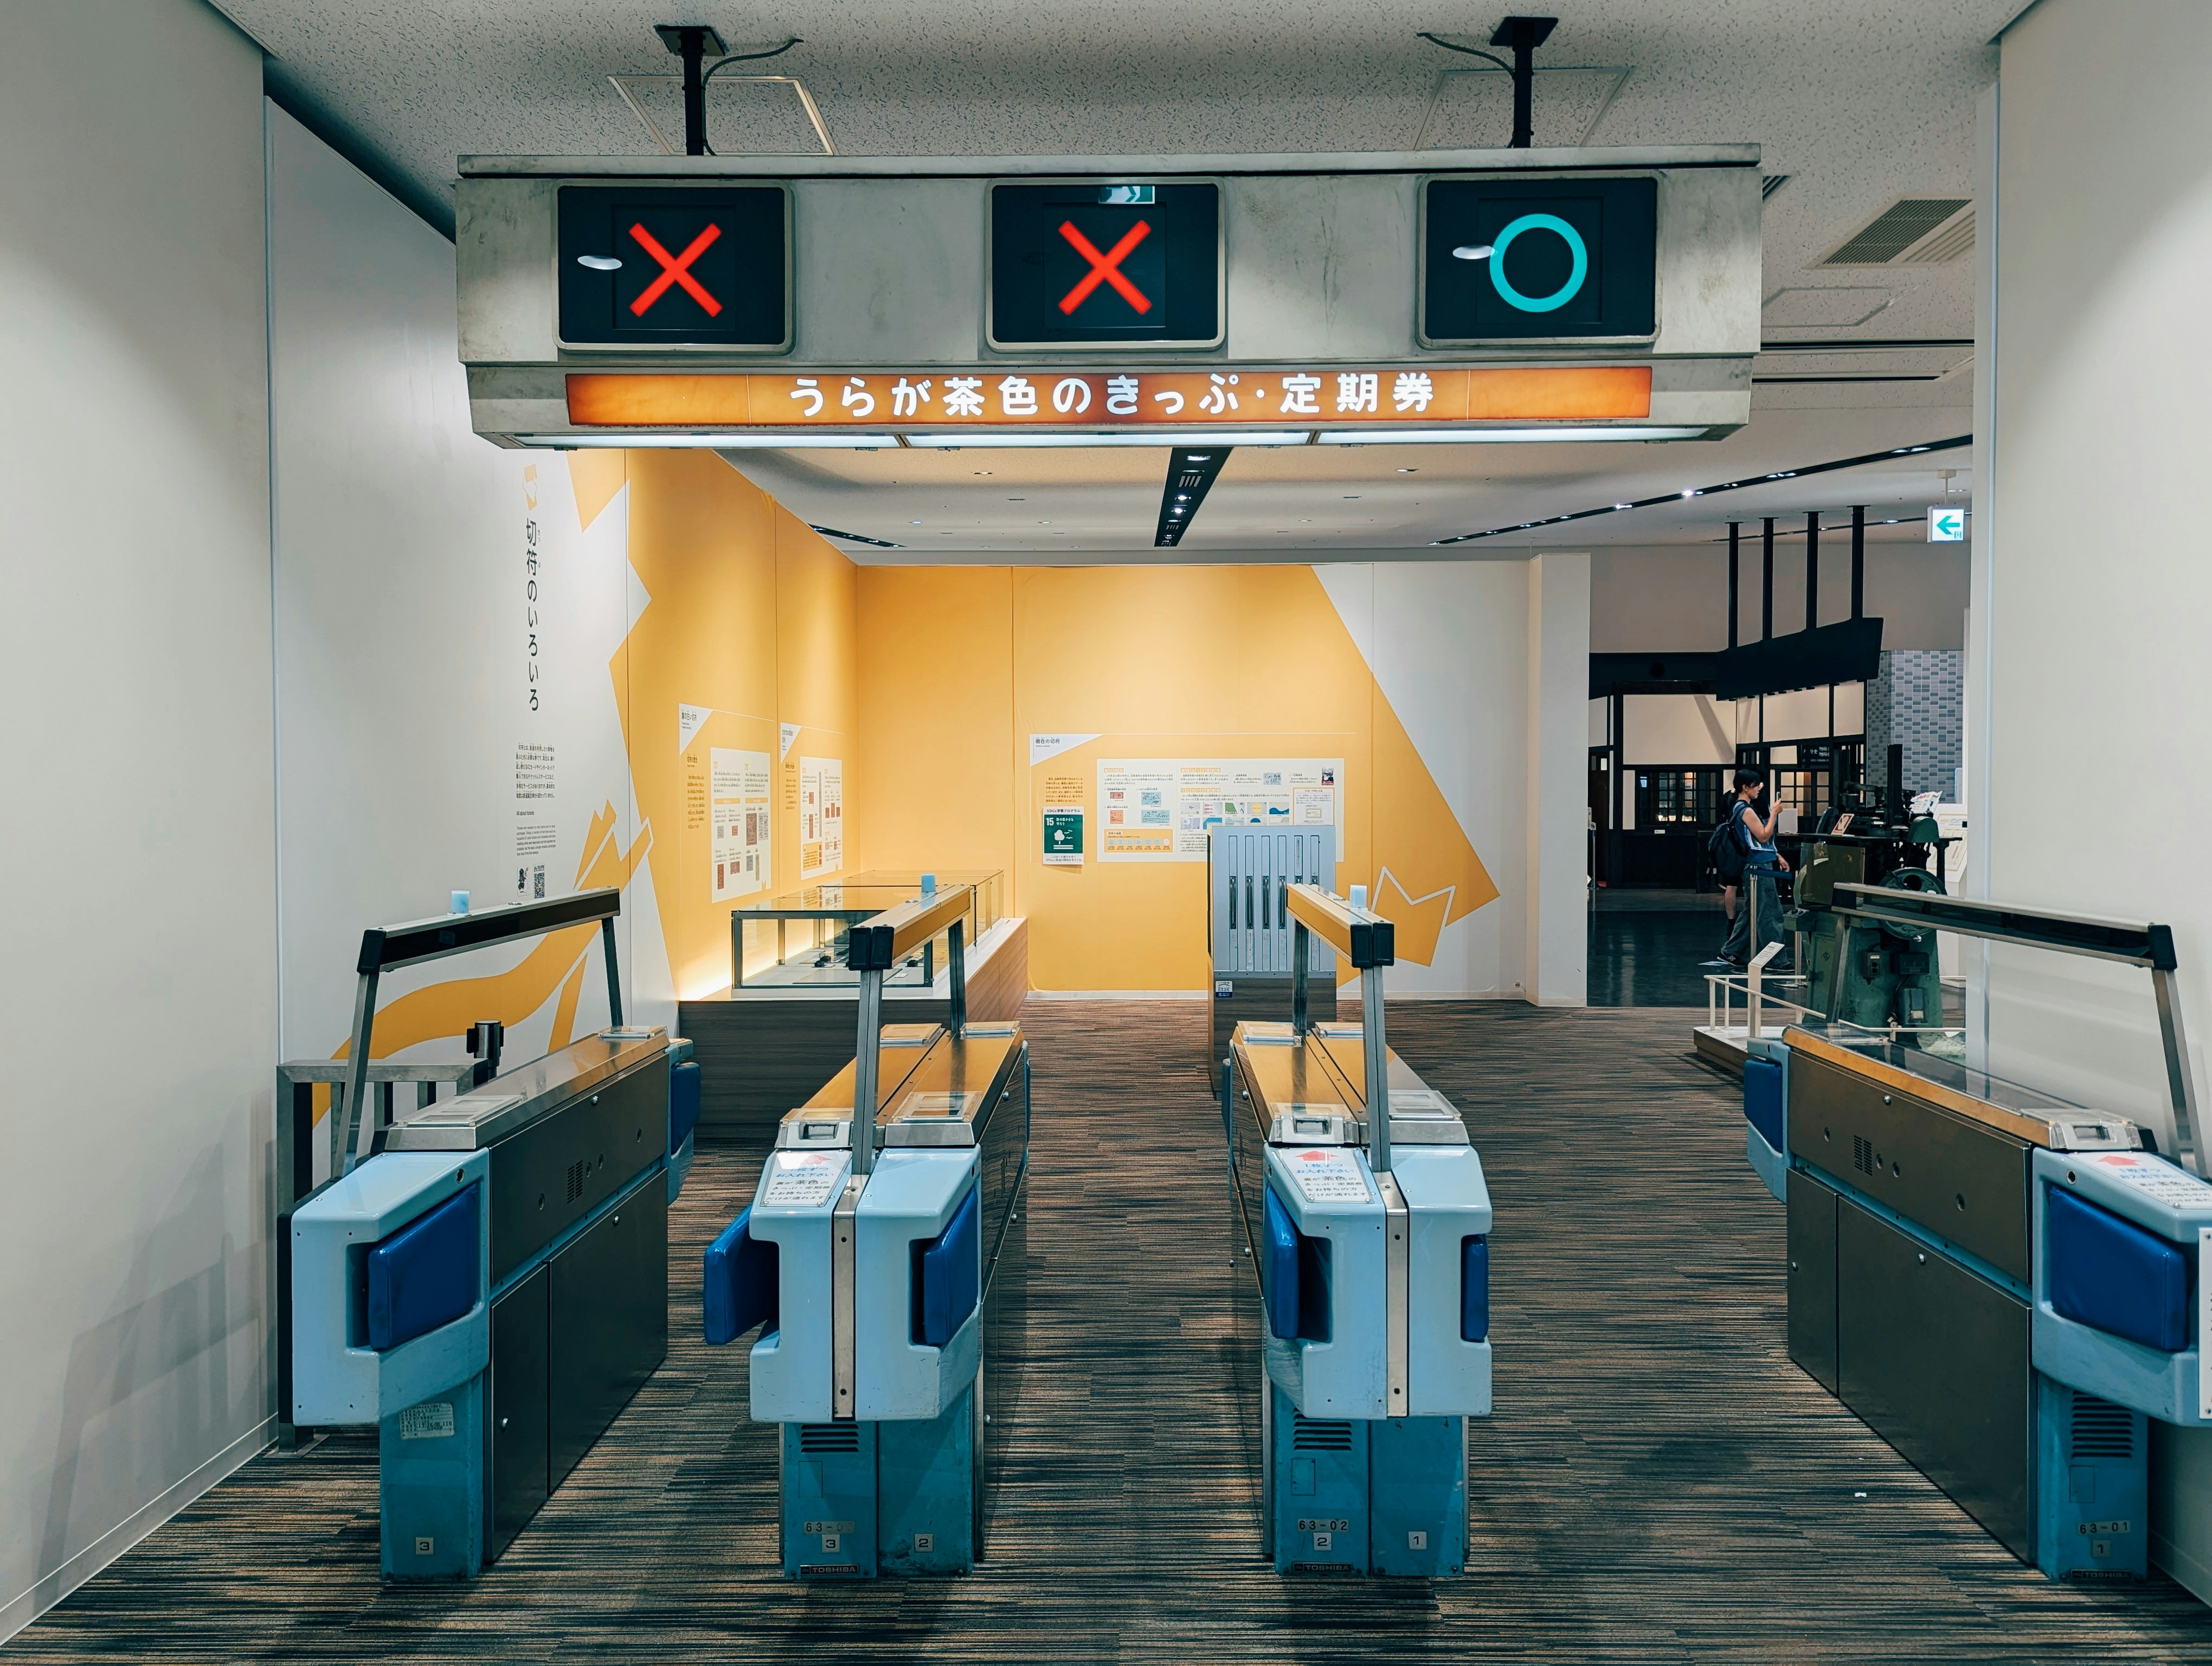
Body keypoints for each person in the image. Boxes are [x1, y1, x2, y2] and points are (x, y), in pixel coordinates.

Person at [1715, 768, 1789, 970]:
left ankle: (1731, 952)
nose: (1759, 789)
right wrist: (1774, 814)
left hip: (1754, 863)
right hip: (1758, 866)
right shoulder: (1746, 810)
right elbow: (1763, 836)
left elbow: (1753, 841)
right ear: (1745, 787)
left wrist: (1776, 855)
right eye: (1756, 786)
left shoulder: (1739, 808)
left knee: (1753, 911)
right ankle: (1776, 960)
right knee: (1770, 913)